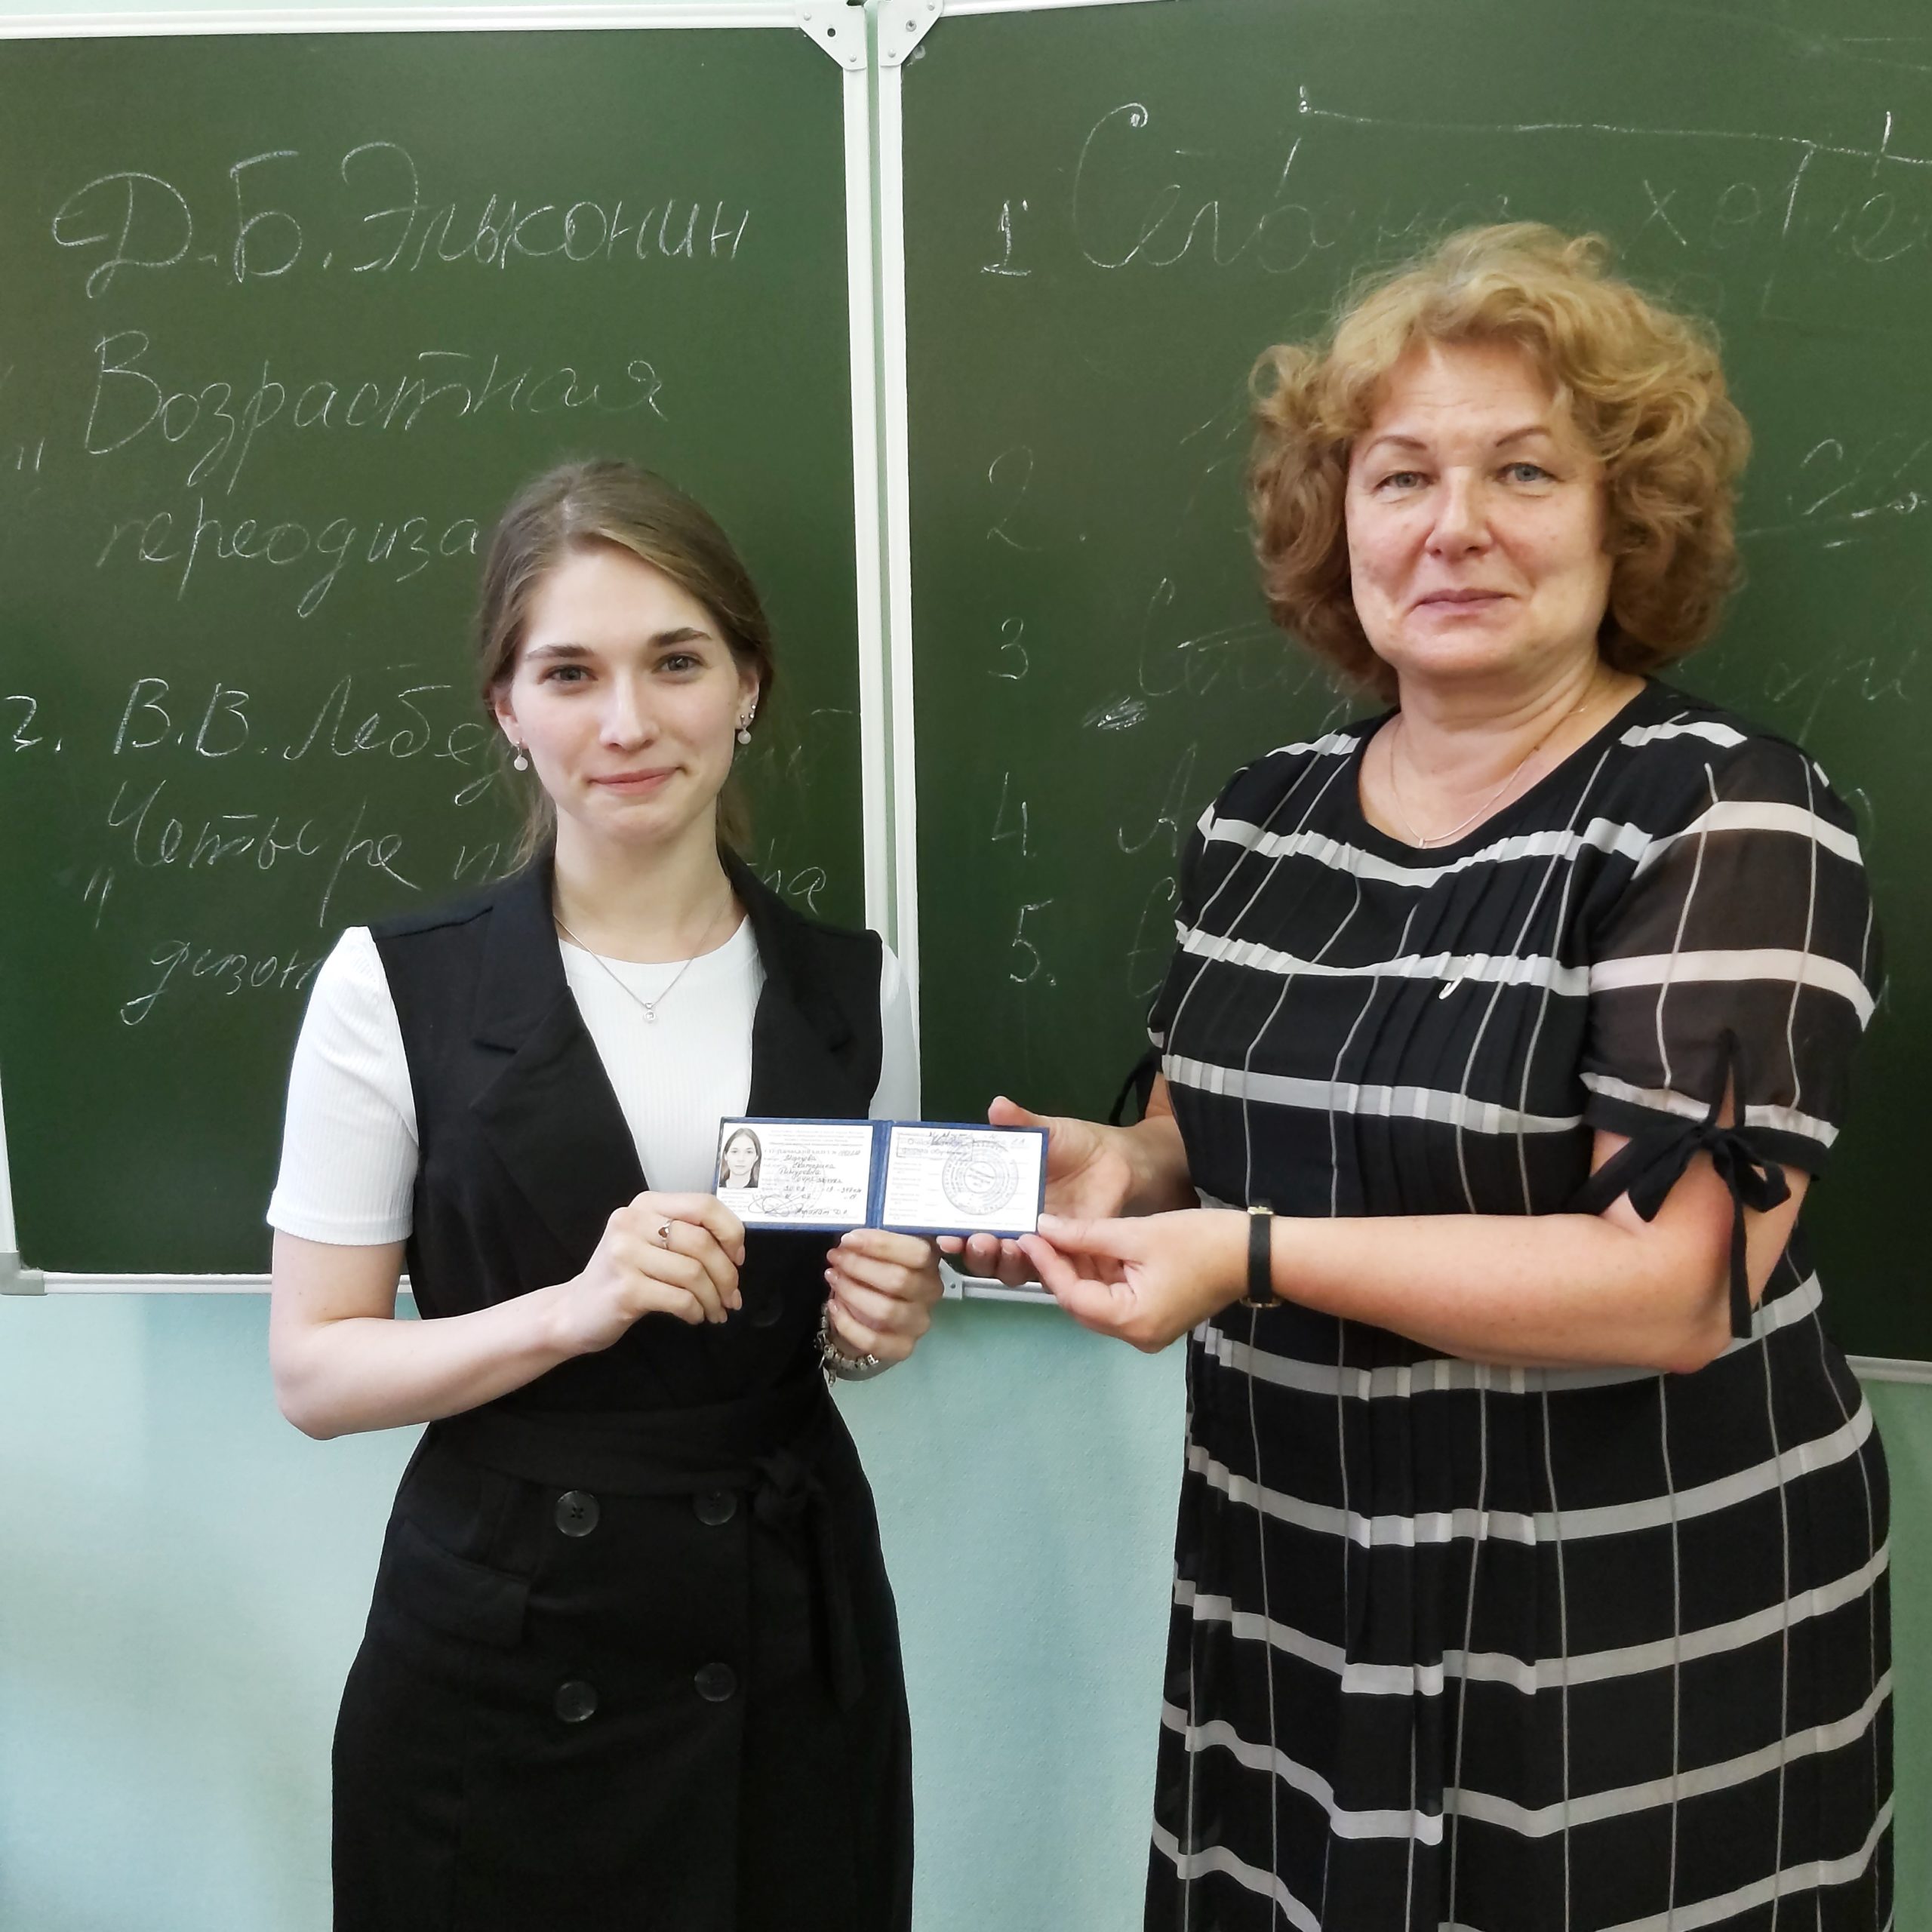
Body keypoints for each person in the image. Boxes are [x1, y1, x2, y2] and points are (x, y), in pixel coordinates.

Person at [955, 226, 1890, 1930]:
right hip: (1291, 1594)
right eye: (1399, 477)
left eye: (1522, 470)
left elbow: (1675, 1284)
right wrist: (1126, 1170)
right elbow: (1209, 1122)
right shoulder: (1264, 818)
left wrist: (1245, 1252)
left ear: (1622, 520)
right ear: (1339, 526)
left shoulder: (1725, 815)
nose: (1453, 525)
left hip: (1620, 1626)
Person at [266, 459, 941, 1932]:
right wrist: (570, 1311)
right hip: (502, 1660)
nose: (626, 722)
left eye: (676, 661)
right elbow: (313, 1371)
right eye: (570, 672)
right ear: (507, 708)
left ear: (747, 683)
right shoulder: (394, 989)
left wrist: (874, 1323)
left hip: (786, 1632)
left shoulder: (854, 989)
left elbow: (829, 1317)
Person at [719, 1125, 764, 1190]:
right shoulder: (715, 1190)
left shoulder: (764, 1191)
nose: (741, 1159)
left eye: (749, 1152)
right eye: (734, 1152)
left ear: (756, 1157)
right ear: (725, 1155)